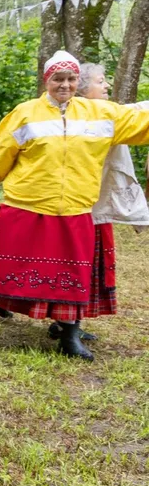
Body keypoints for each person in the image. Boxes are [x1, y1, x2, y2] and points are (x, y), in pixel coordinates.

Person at [0, 50, 149, 361]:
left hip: (75, 210)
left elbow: (142, 122)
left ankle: (70, 336)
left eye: (71, 79)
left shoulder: (101, 114)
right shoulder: (25, 114)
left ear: (77, 81)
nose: (65, 84)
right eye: (58, 78)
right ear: (47, 80)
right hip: (26, 206)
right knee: (4, 270)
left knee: (75, 277)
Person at [42, 62, 149, 341]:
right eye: (101, 81)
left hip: (93, 208)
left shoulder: (106, 113)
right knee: (70, 265)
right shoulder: (74, 118)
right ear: (83, 88)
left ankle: (67, 324)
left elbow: (137, 111)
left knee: (87, 266)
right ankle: (66, 327)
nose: (106, 87)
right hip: (73, 207)